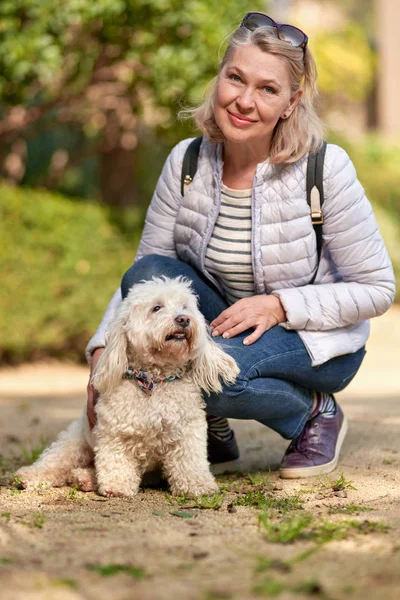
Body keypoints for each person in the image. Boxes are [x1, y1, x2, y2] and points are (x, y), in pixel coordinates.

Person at [86, 12, 395, 478]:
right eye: (236, 78)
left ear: (291, 102)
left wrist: (279, 305)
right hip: (225, 326)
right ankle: (213, 428)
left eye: (268, 89)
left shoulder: (325, 169)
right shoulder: (186, 161)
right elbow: (145, 277)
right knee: (150, 269)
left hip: (313, 338)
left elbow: (377, 288)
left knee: (215, 378)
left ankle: (313, 412)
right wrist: (101, 351)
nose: (244, 101)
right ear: (220, 78)